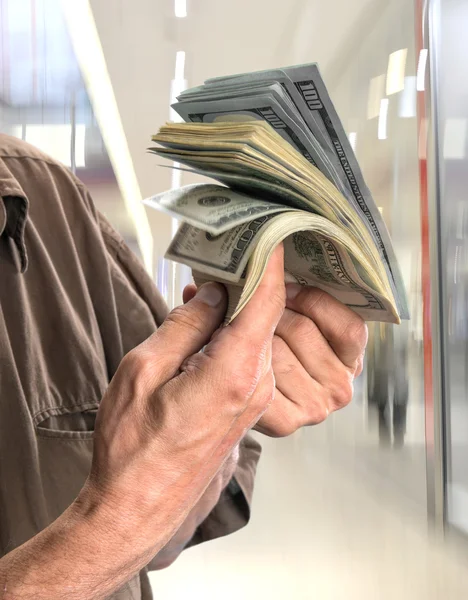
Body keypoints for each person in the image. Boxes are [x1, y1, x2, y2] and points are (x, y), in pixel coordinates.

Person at [0, 134, 367, 599]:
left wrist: (220, 415)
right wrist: (115, 521)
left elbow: (164, 545)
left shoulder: (53, 201)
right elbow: (132, 526)